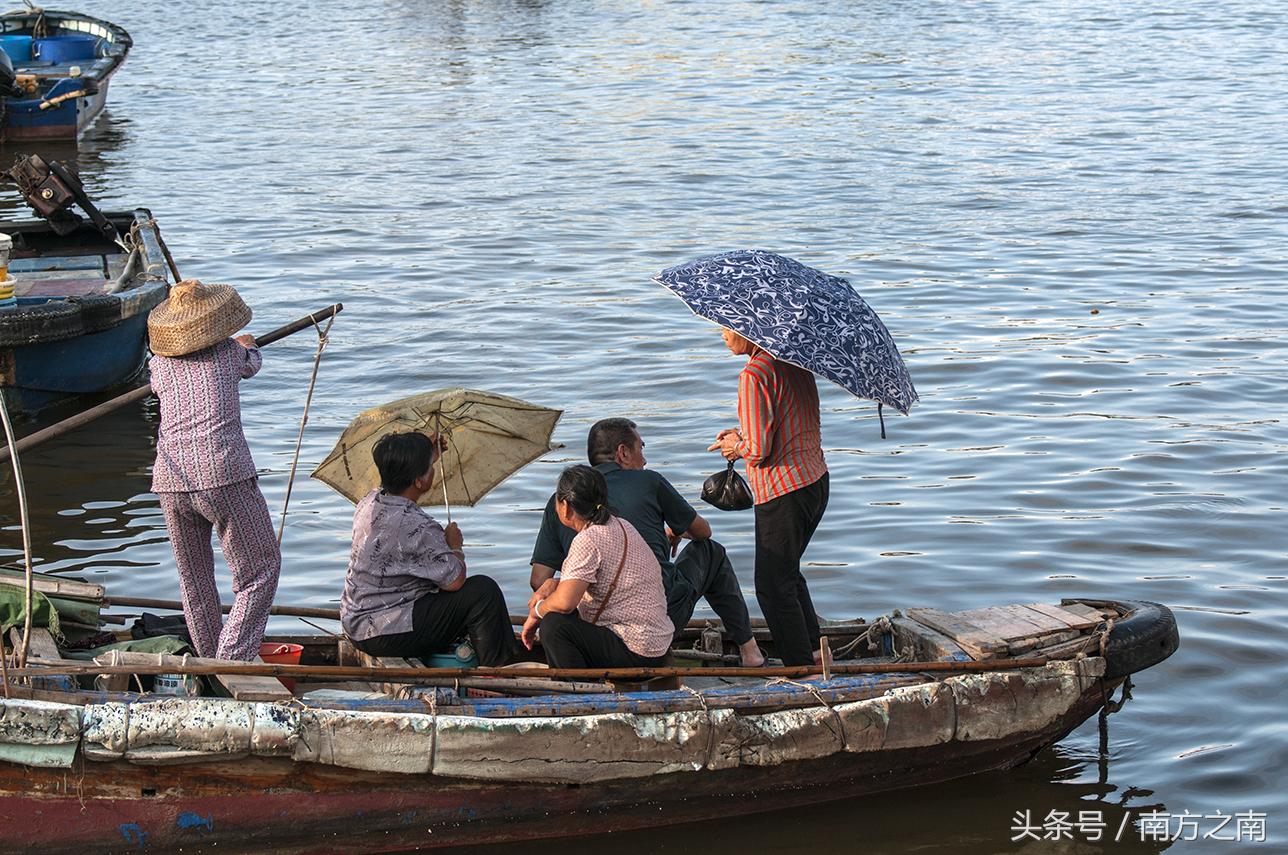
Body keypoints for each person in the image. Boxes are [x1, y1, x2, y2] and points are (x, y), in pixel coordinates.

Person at [528, 418, 763, 666]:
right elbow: (703, 532)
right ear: (623, 453)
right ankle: (750, 650)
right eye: (641, 448)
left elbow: (538, 579)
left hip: (593, 619)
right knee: (711, 551)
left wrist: (557, 591)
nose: (645, 458)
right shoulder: (648, 483)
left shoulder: (561, 500)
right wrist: (676, 528)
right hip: (660, 614)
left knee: (560, 619)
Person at [148, 279, 280, 661]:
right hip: (223, 473)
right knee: (260, 570)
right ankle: (230, 660)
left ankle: (208, 663)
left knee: (195, 580)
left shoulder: (158, 365)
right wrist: (248, 344)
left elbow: (162, 384)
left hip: (171, 479)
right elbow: (252, 363)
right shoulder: (228, 354)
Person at [340, 432, 520, 666]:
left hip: (355, 621)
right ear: (419, 481)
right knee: (483, 592)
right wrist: (455, 547)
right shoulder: (421, 527)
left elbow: (402, 490)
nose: (432, 469)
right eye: (428, 468)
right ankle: (495, 673)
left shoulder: (369, 501)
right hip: (383, 633)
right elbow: (455, 580)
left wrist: (426, 456)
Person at [708, 328, 829, 667]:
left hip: (783, 490)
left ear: (750, 330)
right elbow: (781, 425)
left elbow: (759, 450)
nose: (722, 334)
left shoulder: (753, 374)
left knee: (772, 586)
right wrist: (741, 434)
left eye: (728, 328)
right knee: (788, 573)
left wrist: (736, 446)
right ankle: (815, 652)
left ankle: (800, 669)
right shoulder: (794, 363)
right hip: (814, 480)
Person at [522, 465, 674, 669]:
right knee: (559, 615)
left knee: (553, 625)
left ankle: (578, 694)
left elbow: (566, 602)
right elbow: (586, 585)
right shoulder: (622, 525)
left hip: (636, 649)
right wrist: (553, 583)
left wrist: (537, 611)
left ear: (565, 507)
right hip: (657, 644)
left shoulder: (588, 539)